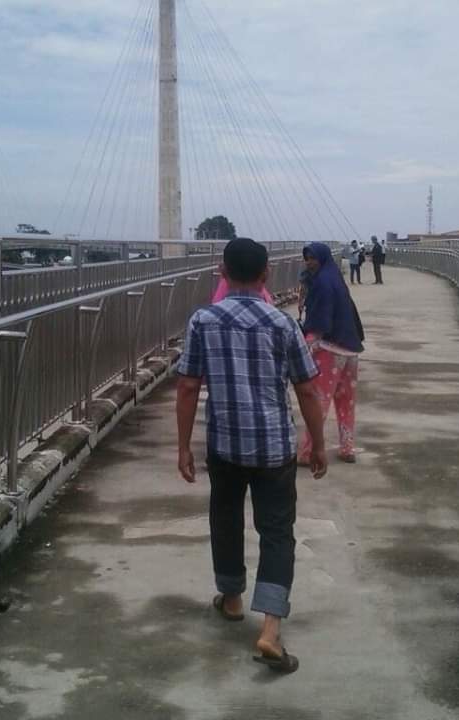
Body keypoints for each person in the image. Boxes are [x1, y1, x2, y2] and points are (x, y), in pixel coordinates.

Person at [177, 238, 327, 675]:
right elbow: (307, 389)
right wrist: (318, 443)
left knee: (225, 519)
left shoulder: (203, 320)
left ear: (223, 273)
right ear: (265, 276)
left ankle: (231, 599)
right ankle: (271, 629)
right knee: (277, 531)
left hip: (224, 445)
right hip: (274, 447)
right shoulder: (282, 324)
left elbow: (187, 386)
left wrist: (183, 446)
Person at [298, 242, 364, 464]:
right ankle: (347, 447)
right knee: (346, 401)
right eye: (307, 258)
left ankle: (308, 451)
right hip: (350, 349)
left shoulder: (321, 283)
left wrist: (307, 343)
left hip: (329, 351)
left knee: (318, 402)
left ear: (322, 259)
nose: (309, 262)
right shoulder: (336, 280)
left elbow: (320, 321)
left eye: (312, 258)